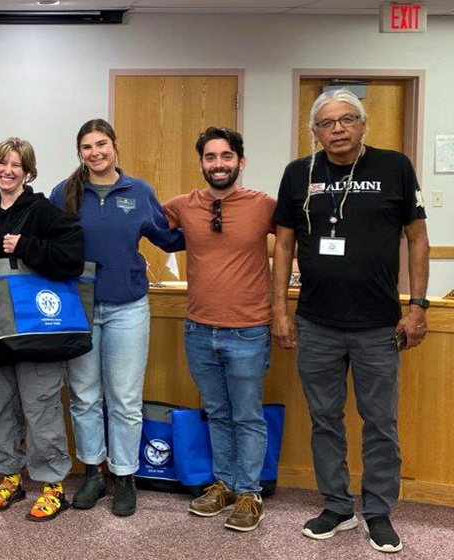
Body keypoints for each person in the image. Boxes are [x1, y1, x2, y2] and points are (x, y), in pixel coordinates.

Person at [272, 88, 429, 554]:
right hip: (317, 323)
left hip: (380, 324)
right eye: (327, 123)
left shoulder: (394, 166)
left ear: (363, 124)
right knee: (325, 420)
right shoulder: (299, 173)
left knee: (380, 421)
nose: (337, 129)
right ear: (314, 132)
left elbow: (418, 238)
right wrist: (279, 310)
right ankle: (337, 506)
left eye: (347, 120)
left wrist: (418, 304)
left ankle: (378, 511)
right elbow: (282, 245)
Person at [49, 118, 183, 516]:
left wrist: (203, 220)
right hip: (80, 309)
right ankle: (93, 472)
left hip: (128, 308)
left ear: (115, 146)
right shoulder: (65, 193)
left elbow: (168, 236)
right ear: (80, 153)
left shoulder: (138, 192)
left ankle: (124, 476)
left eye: (102, 144)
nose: (96, 152)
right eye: (87, 147)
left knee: (125, 400)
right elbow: (45, 238)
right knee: (85, 397)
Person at [163, 127, 276, 532]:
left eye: (226, 156)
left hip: (247, 331)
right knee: (217, 413)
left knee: (246, 415)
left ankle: (250, 492)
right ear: (201, 164)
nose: (218, 164)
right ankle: (224, 485)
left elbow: (300, 240)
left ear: (240, 162)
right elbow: (136, 219)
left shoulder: (264, 206)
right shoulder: (183, 205)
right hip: (199, 330)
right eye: (210, 157)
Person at [0, 138, 84, 522]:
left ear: (28, 172)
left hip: (37, 333)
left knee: (41, 409)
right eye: (2, 164)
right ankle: (10, 477)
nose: (8, 170)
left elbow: (73, 255)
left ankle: (52, 485)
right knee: (0, 410)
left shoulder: (42, 210)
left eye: (17, 165)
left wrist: (27, 245)